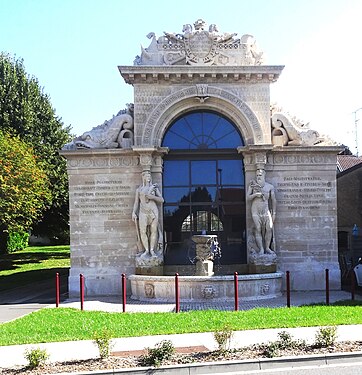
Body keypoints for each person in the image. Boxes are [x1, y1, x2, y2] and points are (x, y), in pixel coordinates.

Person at [132, 170, 164, 257]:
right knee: (143, 231)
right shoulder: (139, 190)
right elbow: (136, 203)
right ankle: (146, 250)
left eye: (150, 176)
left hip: (153, 210)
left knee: (154, 231)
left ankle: (152, 250)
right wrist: (133, 212)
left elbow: (161, 200)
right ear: (143, 178)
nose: (149, 177)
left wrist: (152, 197)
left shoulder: (154, 188)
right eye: (147, 176)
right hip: (142, 211)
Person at [247, 169, 276, 254]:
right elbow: (247, 198)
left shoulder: (270, 186)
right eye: (257, 175)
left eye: (260, 175)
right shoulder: (252, 186)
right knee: (258, 228)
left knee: (269, 227)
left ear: (264, 176)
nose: (258, 177)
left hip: (265, 209)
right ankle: (261, 249)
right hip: (255, 209)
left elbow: (273, 200)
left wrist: (274, 213)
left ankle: (267, 247)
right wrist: (255, 195)